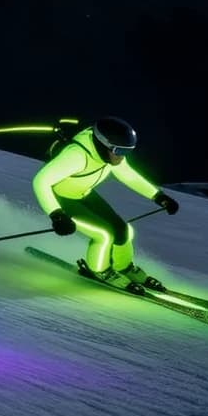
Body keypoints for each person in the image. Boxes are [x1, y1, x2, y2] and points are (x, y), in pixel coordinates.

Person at [32, 116, 179, 290]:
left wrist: (158, 196)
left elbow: (128, 174)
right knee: (104, 234)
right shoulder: (76, 156)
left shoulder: (112, 154)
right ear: (103, 145)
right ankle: (99, 270)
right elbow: (40, 181)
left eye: (127, 151)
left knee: (123, 230)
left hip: (84, 193)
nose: (122, 157)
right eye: (119, 151)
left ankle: (123, 267)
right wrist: (57, 215)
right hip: (62, 198)